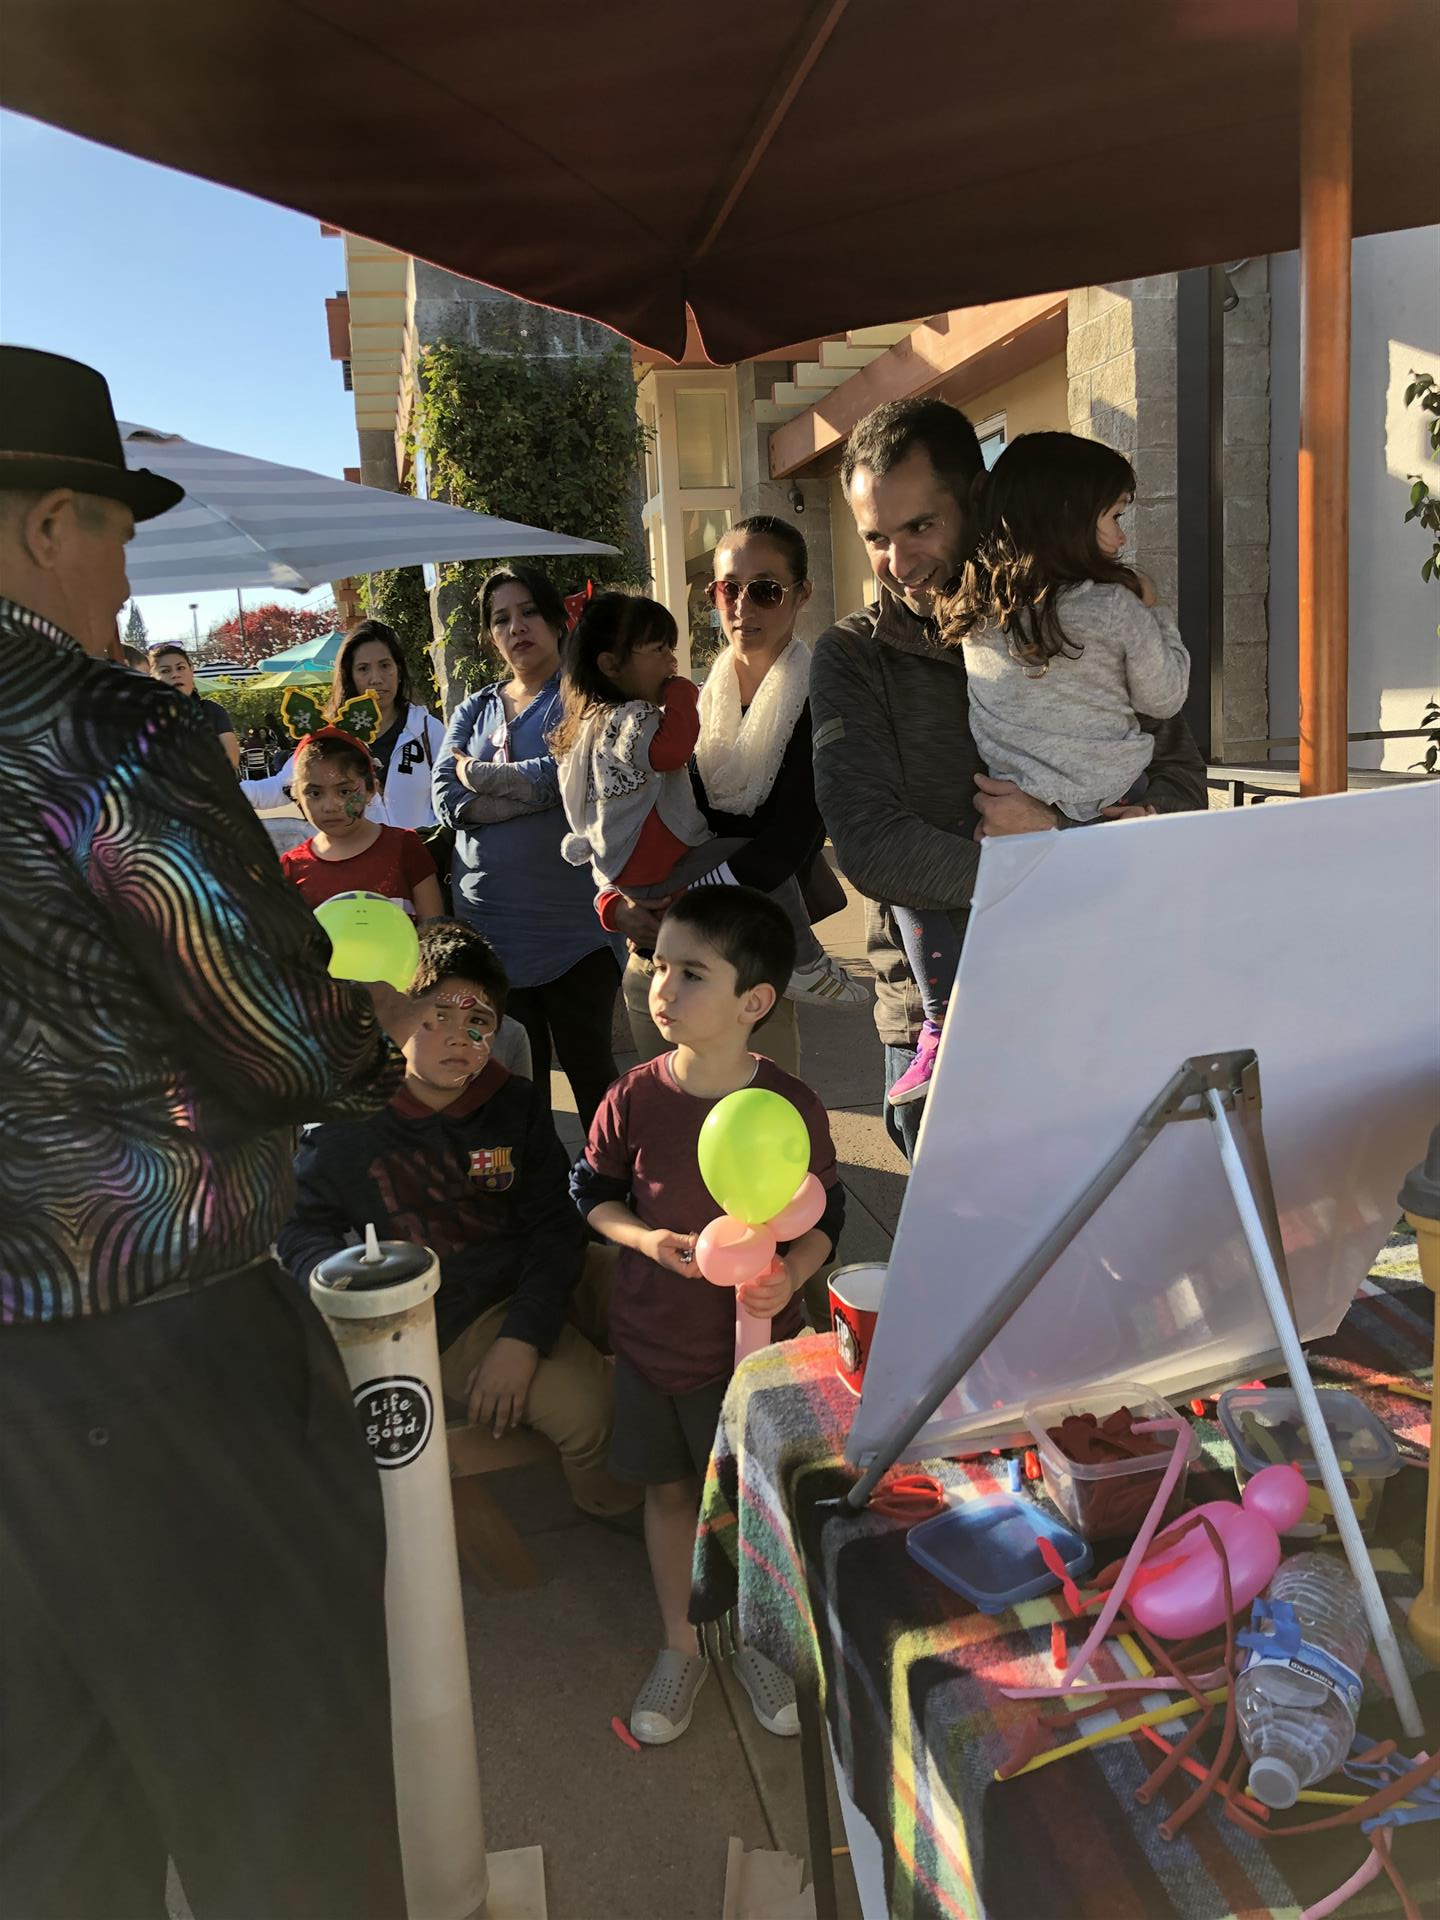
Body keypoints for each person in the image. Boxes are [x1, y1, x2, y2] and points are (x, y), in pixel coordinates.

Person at [0, 345, 411, 1917]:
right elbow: (282, 1039)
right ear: (49, 526)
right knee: (286, 1820)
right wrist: (376, 1030)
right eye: (114, 530)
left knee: (48, 1842)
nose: (125, 570)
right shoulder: (102, 727)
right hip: (161, 1367)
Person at [810, 397, 1208, 1160]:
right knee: (969, 1271)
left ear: (979, 502)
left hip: (1099, 994)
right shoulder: (854, 654)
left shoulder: (1084, 618)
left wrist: (1057, 840)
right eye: (875, 538)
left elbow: (1180, 775)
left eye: (920, 527)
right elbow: (871, 846)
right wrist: (1065, 860)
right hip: (946, 1023)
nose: (898, 563)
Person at [570, 888, 844, 1745]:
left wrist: (791, 1272)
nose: (662, 988)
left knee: (763, 1503)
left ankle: (761, 1636)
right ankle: (681, 1642)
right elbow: (593, 1195)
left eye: (691, 973)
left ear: (754, 1003)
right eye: (658, 966)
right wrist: (645, 1242)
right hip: (656, 1342)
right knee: (669, 1491)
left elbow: (825, 1215)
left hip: (761, 1358)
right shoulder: (635, 1098)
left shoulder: (792, 1103)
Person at [279, 920, 640, 1520]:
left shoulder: (514, 1102)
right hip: (452, 1313)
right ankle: (616, 1505)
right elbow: (298, 1224)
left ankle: (706, 1450)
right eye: (437, 1014)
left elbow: (555, 1221)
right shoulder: (349, 1125)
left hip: (541, 1273)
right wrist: (349, 1288)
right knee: (590, 1413)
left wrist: (525, 1334)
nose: (459, 1036)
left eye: (479, 1021)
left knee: (667, 1295)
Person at [885, 431, 1191, 1108]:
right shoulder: (1115, 605)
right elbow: (1166, 696)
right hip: (1117, 807)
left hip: (1008, 816)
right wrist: (1154, 608)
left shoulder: (975, 613)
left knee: (921, 894)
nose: (1120, 536)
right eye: (1115, 516)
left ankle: (940, 1023)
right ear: (1070, 520)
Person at [607, 515, 865, 1073]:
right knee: (663, 1134)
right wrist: (616, 903)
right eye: (727, 588)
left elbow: (793, 836)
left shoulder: (824, 700)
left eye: (766, 590)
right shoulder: (687, 704)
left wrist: (684, 899)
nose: (742, 606)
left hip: (747, 961)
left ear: (801, 595)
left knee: (759, 1138)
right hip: (663, 960)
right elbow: (622, 808)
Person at [553, 589, 853, 997]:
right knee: (754, 862)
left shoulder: (582, 728)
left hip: (637, 887)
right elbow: (672, 749)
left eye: (670, 649)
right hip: (665, 877)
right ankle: (803, 960)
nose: (671, 662)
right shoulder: (633, 717)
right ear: (610, 665)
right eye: (658, 649)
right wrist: (681, 692)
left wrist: (612, 899)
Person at [431, 565, 623, 1134]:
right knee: (513, 1085)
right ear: (491, 637)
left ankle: (614, 1196)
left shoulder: (585, 696)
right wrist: (524, 790)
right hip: (489, 933)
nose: (517, 627)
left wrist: (480, 776)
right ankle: (533, 1205)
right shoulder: (473, 708)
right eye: (501, 619)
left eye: (528, 612)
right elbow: (445, 795)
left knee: (591, 1074)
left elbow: (564, 775)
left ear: (557, 619)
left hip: (573, 933)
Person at [243, 618, 446, 827]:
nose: (376, 678)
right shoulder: (329, 736)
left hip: (421, 855)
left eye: (385, 666)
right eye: (363, 668)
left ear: (399, 670)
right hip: (355, 856)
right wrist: (217, 793)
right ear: (350, 676)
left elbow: (451, 798)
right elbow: (279, 788)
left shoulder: (427, 730)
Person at [279, 723, 444, 919]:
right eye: (314, 793)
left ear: (370, 790)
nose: (330, 806)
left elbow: (434, 932)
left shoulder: (405, 848)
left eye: (344, 791)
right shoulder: (292, 867)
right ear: (296, 794)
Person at [147, 641, 241, 770]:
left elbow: (231, 760)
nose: (175, 674)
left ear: (191, 670)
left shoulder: (212, 711)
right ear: (152, 678)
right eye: (165, 671)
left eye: (180, 668)